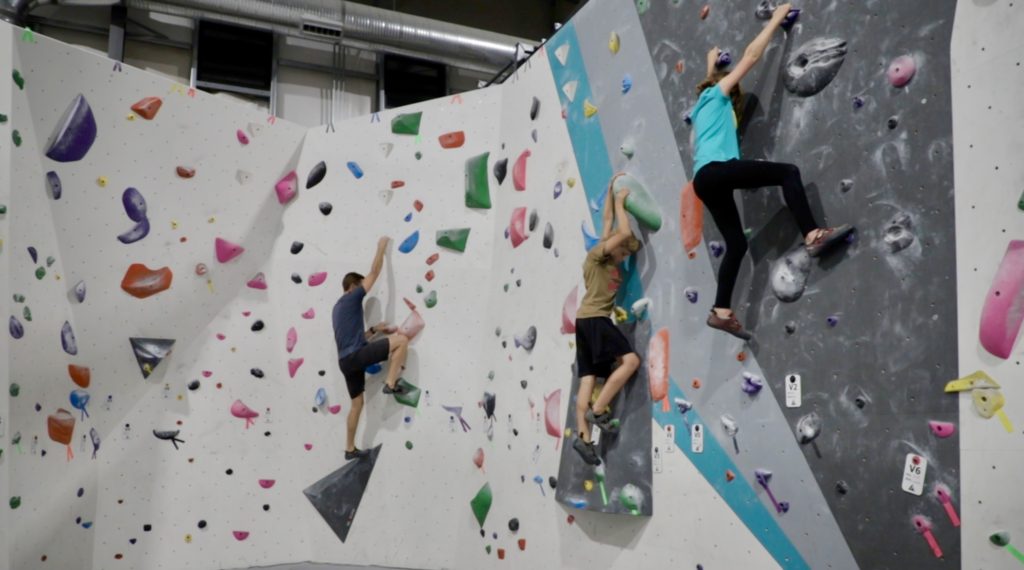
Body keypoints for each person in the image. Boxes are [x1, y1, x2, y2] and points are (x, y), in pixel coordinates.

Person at [691, 2, 853, 341]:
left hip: (703, 181)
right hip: (718, 171)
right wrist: (777, 19)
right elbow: (750, 57)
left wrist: (710, 62)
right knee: (787, 172)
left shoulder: (700, 108)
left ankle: (720, 311)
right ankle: (812, 235)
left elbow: (709, 82)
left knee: (735, 243)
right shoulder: (716, 97)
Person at [572, 177, 642, 466]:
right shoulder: (597, 256)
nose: (624, 256)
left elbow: (608, 221)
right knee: (631, 362)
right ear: (613, 247)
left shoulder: (604, 254)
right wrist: (622, 201)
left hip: (584, 323)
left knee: (588, 378)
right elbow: (621, 228)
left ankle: (583, 438)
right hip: (596, 320)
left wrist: (612, 188)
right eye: (623, 251)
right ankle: (599, 410)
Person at [333, 236, 410, 460]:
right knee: (402, 341)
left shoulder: (337, 309)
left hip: (346, 361)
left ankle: (349, 448)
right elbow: (374, 273)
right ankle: (390, 383)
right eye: (361, 286)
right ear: (353, 287)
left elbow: (355, 339)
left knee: (356, 404)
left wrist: (375, 330)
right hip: (355, 356)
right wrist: (380, 248)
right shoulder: (351, 297)